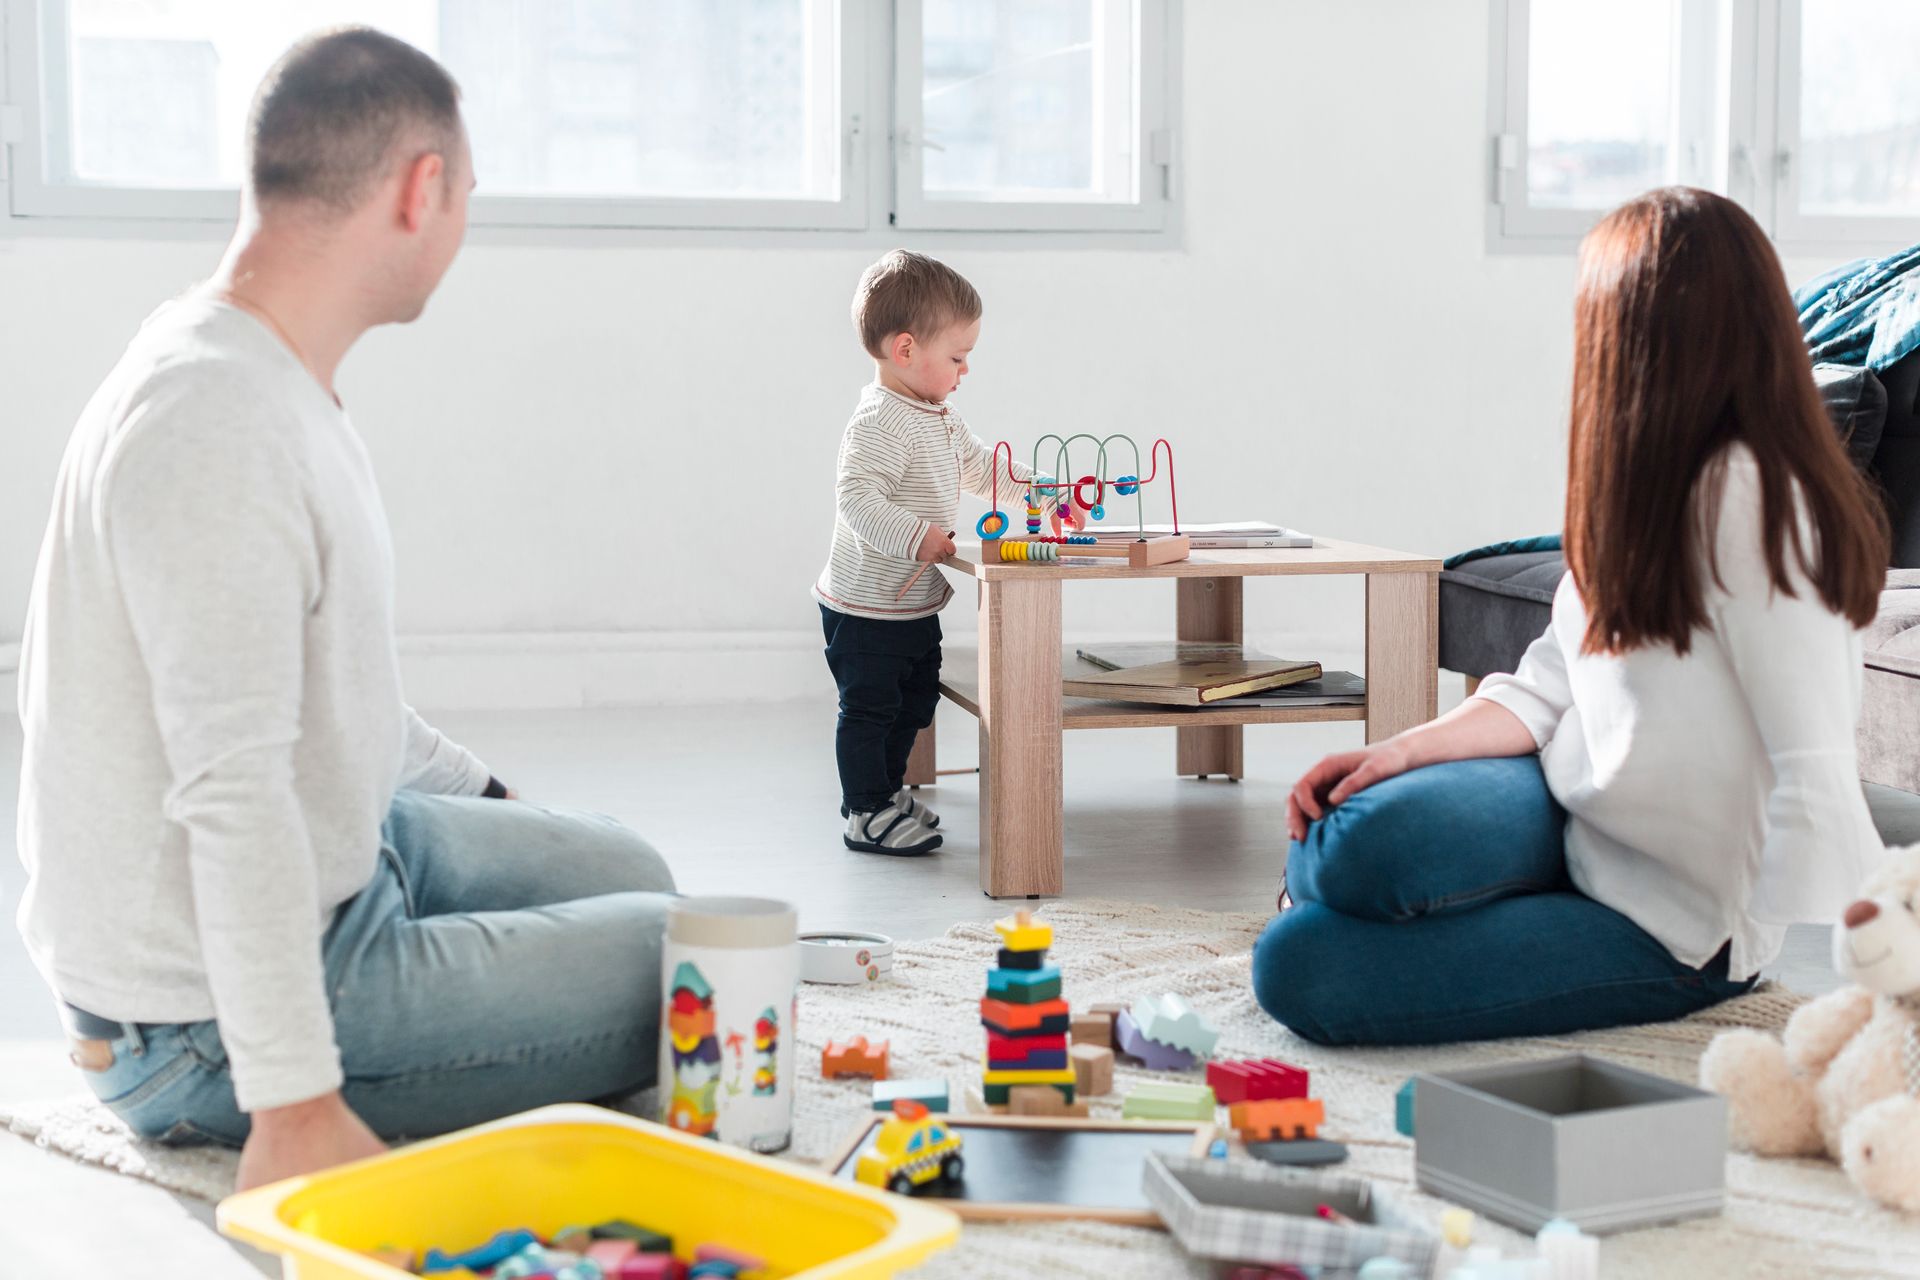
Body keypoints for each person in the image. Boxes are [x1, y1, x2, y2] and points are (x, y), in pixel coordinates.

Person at [14, 28, 675, 1191]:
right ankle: (279, 1084)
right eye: (467, 194)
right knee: (687, 961)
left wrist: (490, 802)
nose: (463, 223)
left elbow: (338, 688)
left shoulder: (274, 374)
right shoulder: (213, 419)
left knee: (636, 868)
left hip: (351, 853)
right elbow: (233, 786)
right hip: (191, 1016)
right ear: (424, 190)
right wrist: (297, 1102)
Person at [1253, 187, 1890, 1045]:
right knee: (1345, 834)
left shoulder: (1753, 498)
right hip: (1571, 815)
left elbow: (1815, 758)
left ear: (1631, 337)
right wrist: (1394, 754)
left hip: (1674, 927)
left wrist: (1867, 992)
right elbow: (1549, 683)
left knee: (1299, 966)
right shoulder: (1641, 484)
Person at [812, 250, 1070, 855]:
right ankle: (865, 811)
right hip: (864, 605)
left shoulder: (939, 417)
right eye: (957, 357)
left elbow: (983, 469)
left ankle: (883, 789)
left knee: (916, 698)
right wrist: (914, 535)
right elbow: (855, 497)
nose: (965, 370)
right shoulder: (879, 420)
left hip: (911, 604)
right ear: (906, 351)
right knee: (870, 708)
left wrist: (1045, 495)